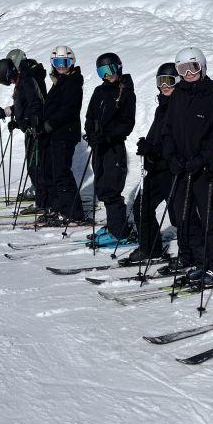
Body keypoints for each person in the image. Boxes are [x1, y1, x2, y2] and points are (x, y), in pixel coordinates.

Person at [161, 47, 213, 285]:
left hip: (203, 170)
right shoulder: (178, 96)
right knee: (183, 217)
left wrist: (202, 160)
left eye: (192, 68)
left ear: (202, 67)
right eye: (182, 69)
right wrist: (171, 157)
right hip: (181, 168)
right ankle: (199, 260)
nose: (188, 73)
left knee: (209, 219)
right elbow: (167, 131)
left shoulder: (211, 96)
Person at [128, 63, 180, 264]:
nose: (165, 86)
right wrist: (147, 146)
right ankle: (150, 248)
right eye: (161, 81)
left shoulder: (181, 107)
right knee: (142, 206)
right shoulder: (162, 107)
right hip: (158, 168)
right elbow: (158, 136)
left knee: (179, 216)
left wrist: (156, 149)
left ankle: (194, 255)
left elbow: (178, 140)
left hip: (173, 169)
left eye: (170, 81)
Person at [84, 53, 136, 240]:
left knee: (112, 188)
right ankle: (113, 225)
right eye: (101, 72)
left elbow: (127, 124)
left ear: (118, 68)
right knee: (102, 187)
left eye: (109, 70)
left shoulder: (126, 92)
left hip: (113, 148)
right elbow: (90, 117)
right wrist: (91, 134)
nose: (106, 75)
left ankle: (118, 231)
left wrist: (107, 136)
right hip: (99, 148)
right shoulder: (99, 91)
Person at [0, 49, 47, 210]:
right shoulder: (24, 77)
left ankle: (43, 200)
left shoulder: (30, 77)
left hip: (36, 129)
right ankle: (40, 192)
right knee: (33, 166)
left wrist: (32, 122)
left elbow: (36, 103)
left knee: (36, 166)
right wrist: (13, 115)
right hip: (30, 128)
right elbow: (24, 103)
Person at [40, 45, 86, 226]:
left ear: (71, 62)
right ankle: (58, 207)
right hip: (55, 134)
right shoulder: (60, 81)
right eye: (58, 62)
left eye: (64, 62)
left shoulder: (72, 82)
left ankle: (73, 213)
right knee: (51, 171)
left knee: (61, 173)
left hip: (65, 134)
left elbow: (68, 110)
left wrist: (49, 124)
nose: (61, 66)